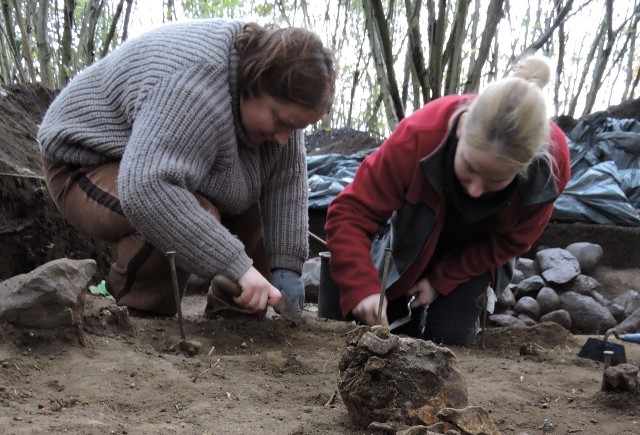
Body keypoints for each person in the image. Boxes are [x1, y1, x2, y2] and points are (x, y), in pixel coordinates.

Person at [37, 19, 335, 318]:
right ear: (255, 81)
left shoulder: (280, 103)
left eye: (295, 129)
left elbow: (285, 183)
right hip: (87, 158)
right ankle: (137, 316)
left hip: (166, 159)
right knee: (178, 214)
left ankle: (236, 319)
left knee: (252, 208)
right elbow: (148, 190)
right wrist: (237, 265)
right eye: (281, 122)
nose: (284, 139)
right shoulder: (195, 84)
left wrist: (287, 267)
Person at [322, 56, 571, 344]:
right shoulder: (418, 137)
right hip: (414, 235)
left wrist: (441, 281)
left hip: (476, 255)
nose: (475, 191)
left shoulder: (548, 171)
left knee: (448, 338)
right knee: (394, 328)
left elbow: (512, 241)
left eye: (496, 181)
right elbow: (349, 213)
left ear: (524, 168)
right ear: (462, 126)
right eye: (470, 168)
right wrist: (362, 286)